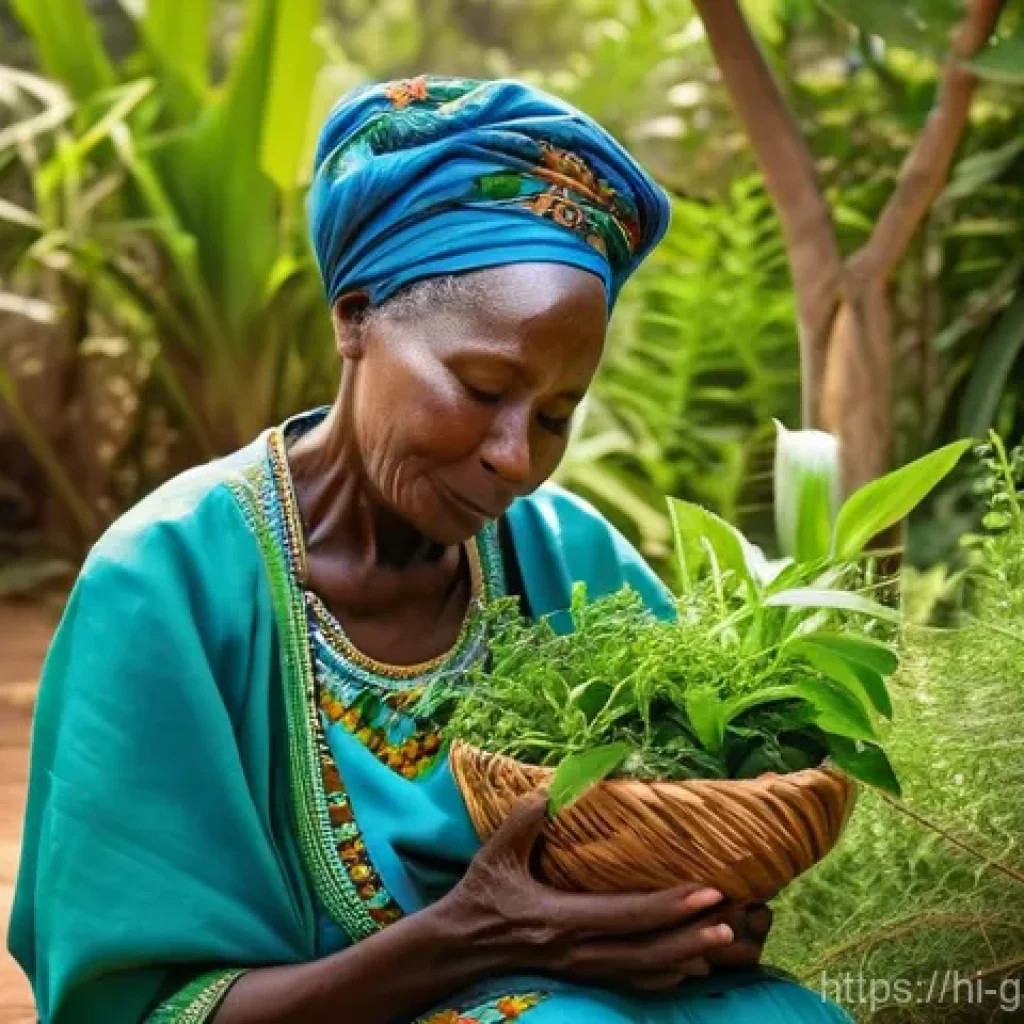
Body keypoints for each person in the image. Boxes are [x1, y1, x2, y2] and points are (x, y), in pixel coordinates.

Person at [9, 76, 853, 1024]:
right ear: (354, 316)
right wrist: (476, 939)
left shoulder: (572, 560)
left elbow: (693, 835)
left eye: (556, 416)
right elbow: (137, 1010)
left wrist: (699, 917)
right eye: (483, 388)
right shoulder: (164, 587)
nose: (515, 458)